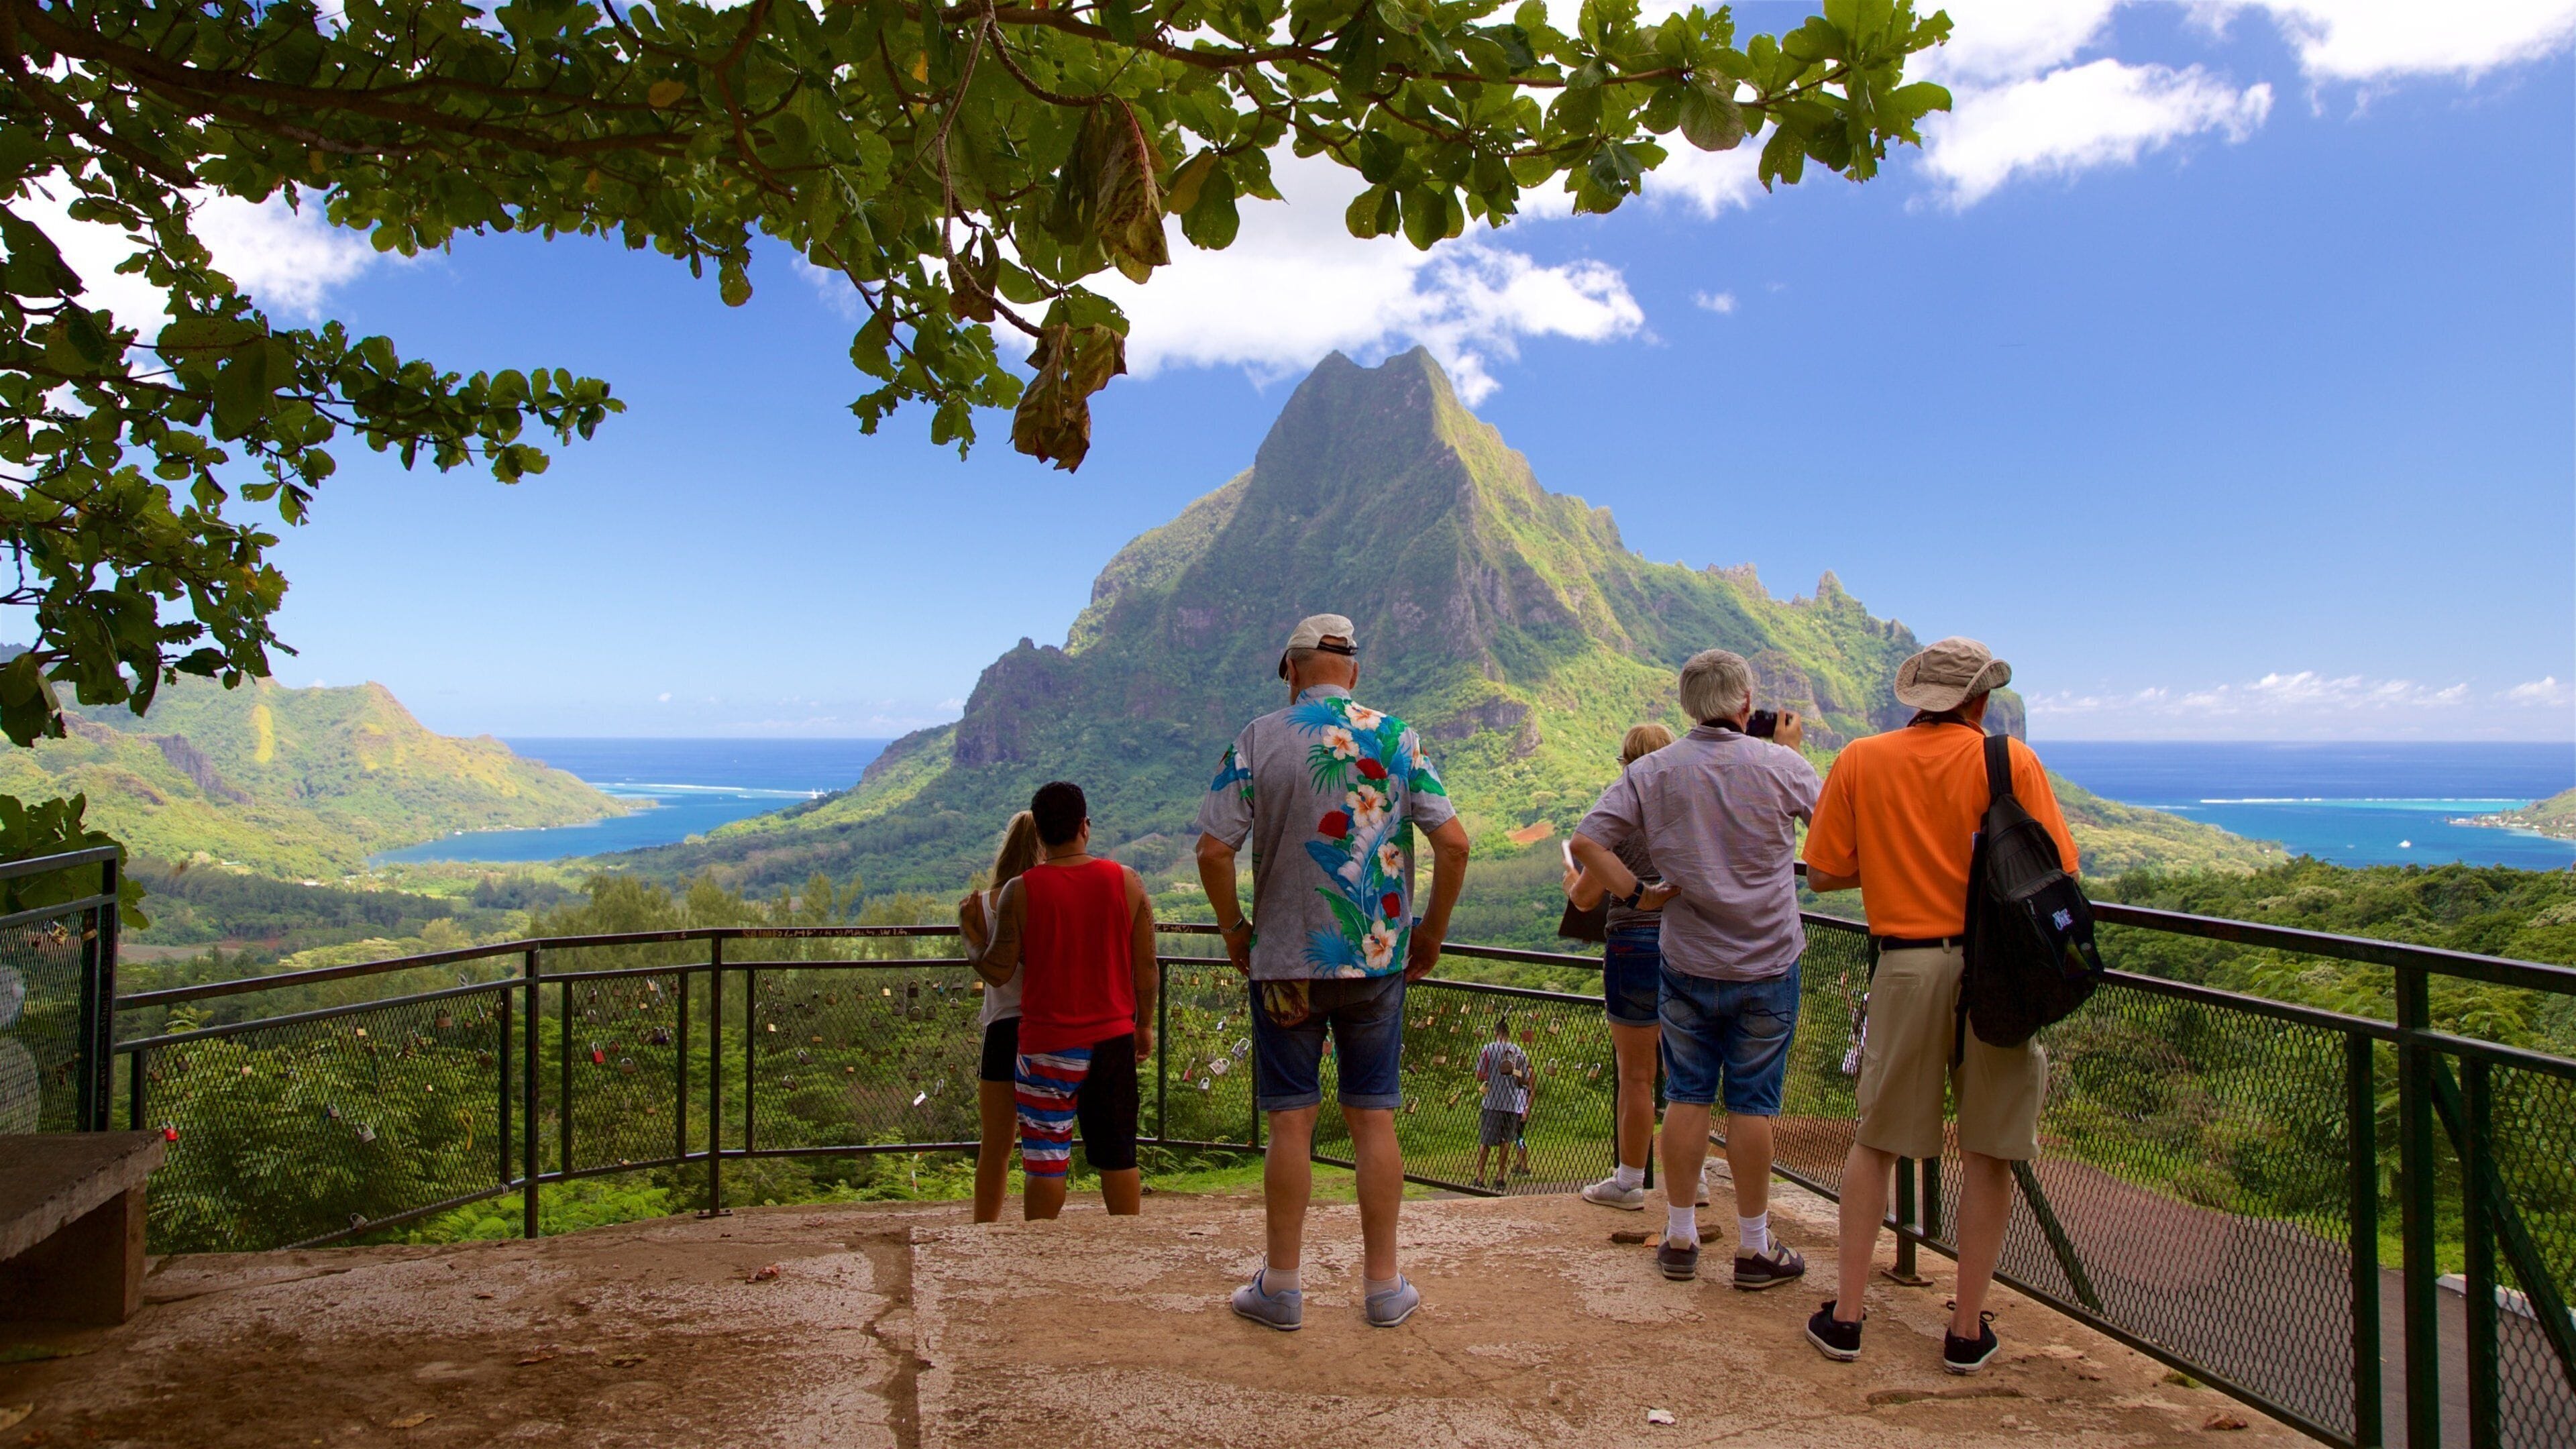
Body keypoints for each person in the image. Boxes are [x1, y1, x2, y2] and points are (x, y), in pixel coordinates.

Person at [1799, 637, 2080, 1376]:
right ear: (1981, 700)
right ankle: (1964, 1329)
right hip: (1997, 970)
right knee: (1989, 1149)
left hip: (1906, 966)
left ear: (1918, 697)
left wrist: (1892, 857)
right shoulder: (2009, 761)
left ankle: (1847, 1318)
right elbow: (2061, 868)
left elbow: (1822, 872)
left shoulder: (1861, 759)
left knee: (1876, 1141)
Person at [1194, 613, 1472, 1331]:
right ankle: (1383, 1289)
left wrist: (1235, 929)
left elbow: (1213, 851)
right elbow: (1455, 843)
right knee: (1373, 1118)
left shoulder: (1258, 739)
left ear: (1291, 672)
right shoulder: (1397, 737)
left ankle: (1282, 1290)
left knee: (1291, 1123)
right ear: (1353, 671)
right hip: (1377, 960)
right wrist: (1429, 933)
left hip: (1285, 963)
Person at [1569, 649, 1817, 1292]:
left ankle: (1680, 1237)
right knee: (1752, 1103)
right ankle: (1755, 1248)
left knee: (1686, 1096)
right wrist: (1790, 753)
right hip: (1767, 961)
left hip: (1685, 960)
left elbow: (1586, 842)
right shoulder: (1782, 765)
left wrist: (1639, 894)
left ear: (1687, 706)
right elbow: (1835, 841)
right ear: (1745, 703)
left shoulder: (1653, 771)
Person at [962, 781, 1158, 1222]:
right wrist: (1144, 1024)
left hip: (1046, 1045)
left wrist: (970, 935)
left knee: (1046, 1162)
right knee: (1119, 1157)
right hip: (1111, 1037)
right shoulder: (1127, 881)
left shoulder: (1020, 892)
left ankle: (1042, 1249)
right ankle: (1129, 1246)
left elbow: (997, 970)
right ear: (1085, 826)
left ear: (1041, 835)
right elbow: (1146, 966)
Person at [1568, 722, 1705, 1213]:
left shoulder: (1621, 814)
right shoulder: (1691, 811)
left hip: (1632, 944)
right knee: (1688, 1072)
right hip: (1688, 944)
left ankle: (1629, 1182)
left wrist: (1572, 883)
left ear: (1627, 764)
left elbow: (1586, 898)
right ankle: (1694, 1179)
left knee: (1636, 1076)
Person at [957, 810, 1042, 1224]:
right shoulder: (1045, 898)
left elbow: (989, 965)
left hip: (1001, 1027)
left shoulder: (983, 905)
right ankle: (1039, 1224)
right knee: (1044, 1143)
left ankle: (984, 1224)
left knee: (995, 1144)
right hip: (1046, 1027)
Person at [1471, 1016, 1530, 1191]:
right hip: (1511, 1103)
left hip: (1492, 1101)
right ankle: (1500, 1177)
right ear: (1508, 1033)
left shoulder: (1488, 1049)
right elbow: (1525, 1079)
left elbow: (1479, 1075)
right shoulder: (1519, 1051)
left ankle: (1480, 1177)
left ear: (1496, 1032)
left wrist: (1491, 1076)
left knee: (1486, 1141)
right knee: (1506, 1141)